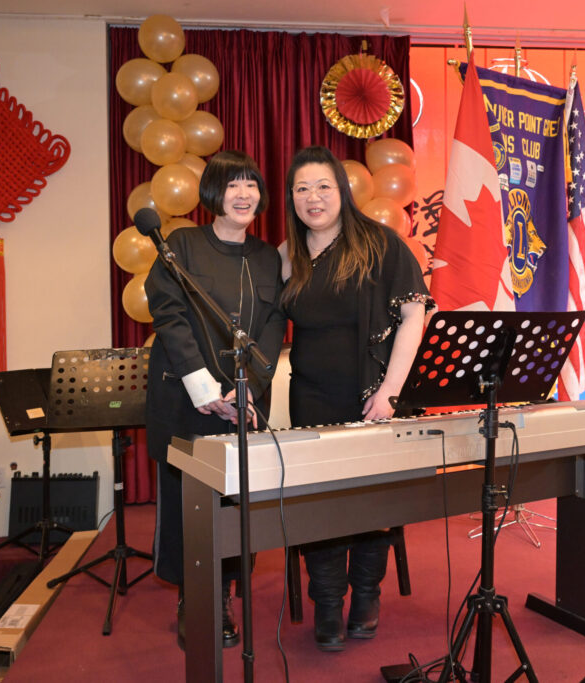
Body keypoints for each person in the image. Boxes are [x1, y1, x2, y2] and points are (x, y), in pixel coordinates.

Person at [280, 145, 432, 651]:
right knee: (319, 505)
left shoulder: (380, 243)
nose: (313, 197)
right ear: (291, 198)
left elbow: (413, 316)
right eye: (302, 188)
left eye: (323, 186)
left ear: (342, 191)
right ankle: (327, 601)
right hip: (311, 398)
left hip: (374, 398)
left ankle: (366, 595)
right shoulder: (287, 255)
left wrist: (390, 392)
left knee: (372, 503)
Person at [145, 150, 286, 650]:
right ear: (212, 193)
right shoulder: (181, 245)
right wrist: (204, 387)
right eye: (232, 185)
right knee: (187, 504)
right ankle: (193, 598)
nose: (244, 194)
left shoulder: (267, 257)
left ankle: (222, 592)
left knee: (234, 502)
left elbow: (273, 327)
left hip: (241, 402)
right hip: (186, 398)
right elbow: (169, 316)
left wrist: (250, 390)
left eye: (251, 185)